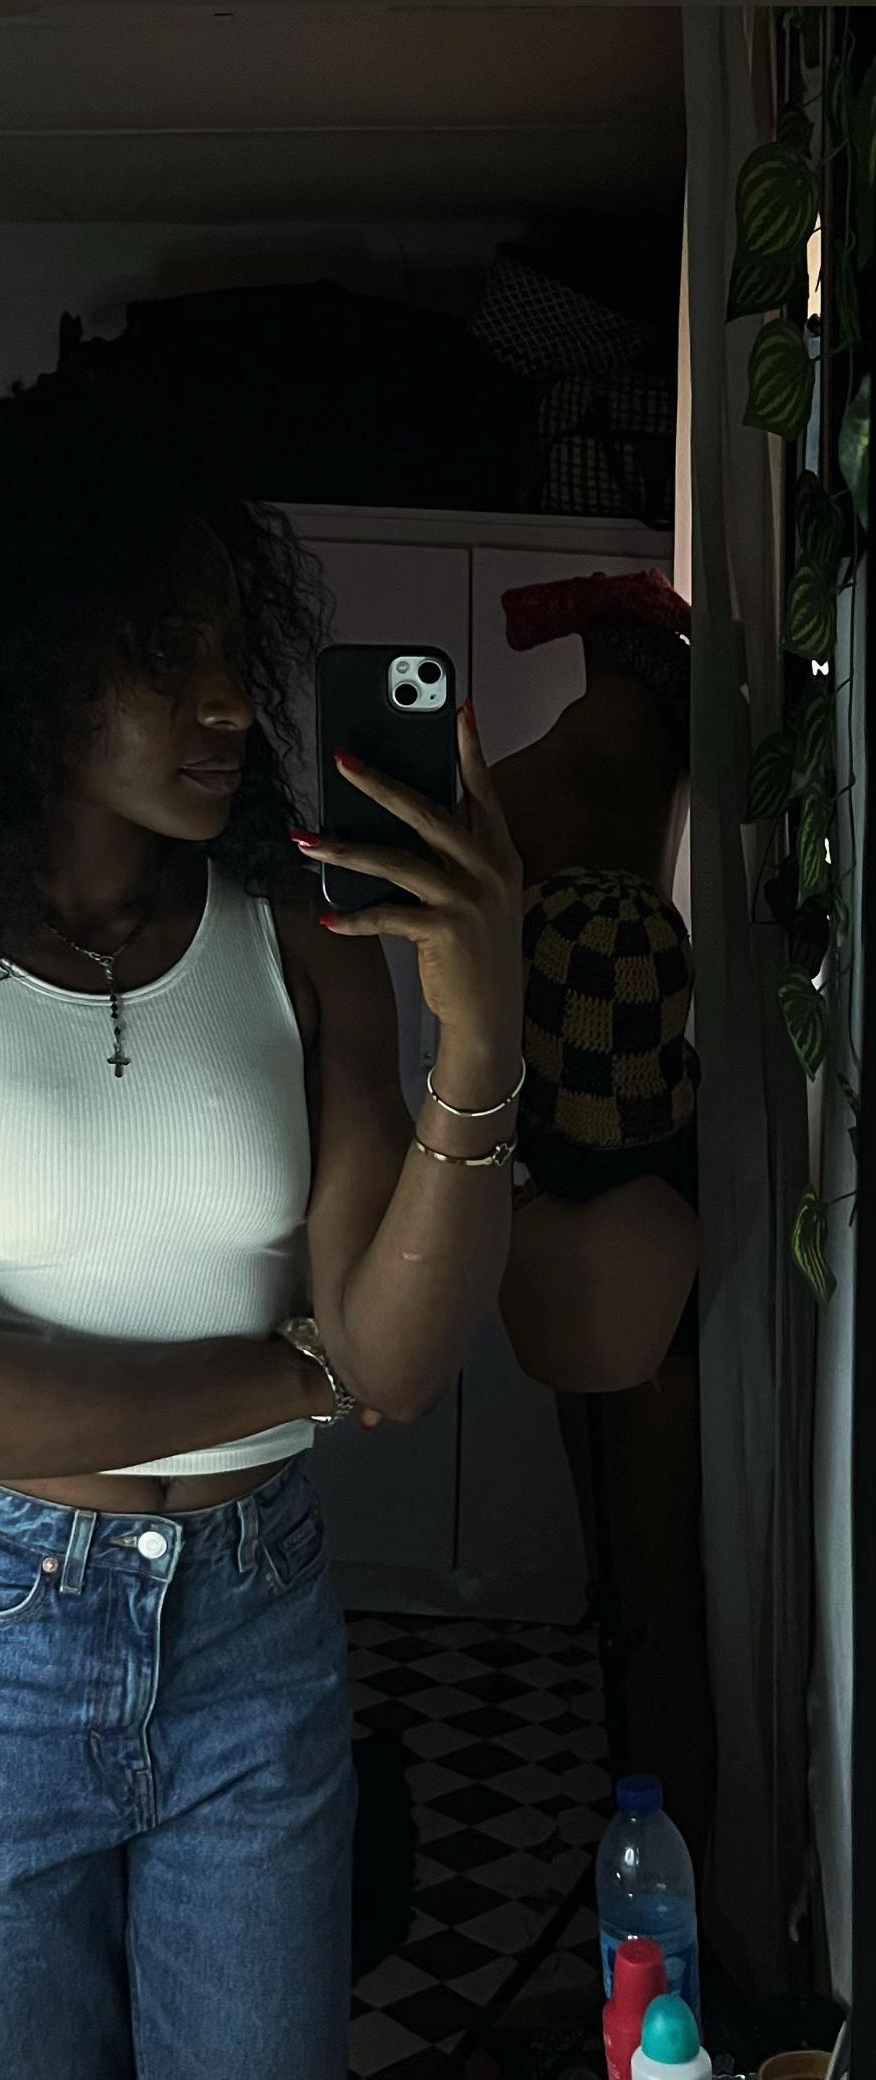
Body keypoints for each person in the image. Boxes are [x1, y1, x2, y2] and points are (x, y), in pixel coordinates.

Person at [0, 368, 524, 2080]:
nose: (229, 699)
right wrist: (298, 1371)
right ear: (2, 665)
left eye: (231, 642)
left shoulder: (298, 941)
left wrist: (483, 1033)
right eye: (161, 651)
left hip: (253, 1622)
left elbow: (397, 1359)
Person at [484, 569, 713, 1869]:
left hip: (555, 1148)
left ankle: (655, 1855)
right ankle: (668, 1862)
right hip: (616, 1146)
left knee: (629, 1578)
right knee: (651, 1588)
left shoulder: (525, 795)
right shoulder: (617, 778)